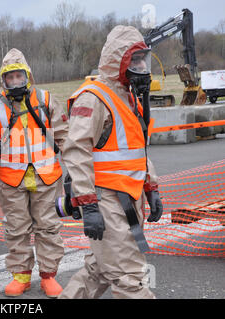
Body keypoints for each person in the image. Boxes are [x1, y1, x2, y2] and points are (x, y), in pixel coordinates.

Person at [59, 26, 163, 299]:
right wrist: (88, 204)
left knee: (100, 270)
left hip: (128, 199)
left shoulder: (129, 99)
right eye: (136, 59)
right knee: (128, 277)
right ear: (119, 61)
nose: (142, 66)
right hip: (106, 201)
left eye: (144, 59)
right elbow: (76, 150)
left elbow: (138, 151)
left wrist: (152, 189)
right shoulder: (94, 98)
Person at [0, 48, 68, 298]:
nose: (16, 81)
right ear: (3, 80)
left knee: (48, 227)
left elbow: (65, 135)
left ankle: (48, 276)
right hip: (12, 180)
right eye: (10, 78)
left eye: (19, 76)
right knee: (16, 229)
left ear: (28, 75)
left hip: (46, 176)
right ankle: (21, 276)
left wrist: (75, 172)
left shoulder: (46, 99)